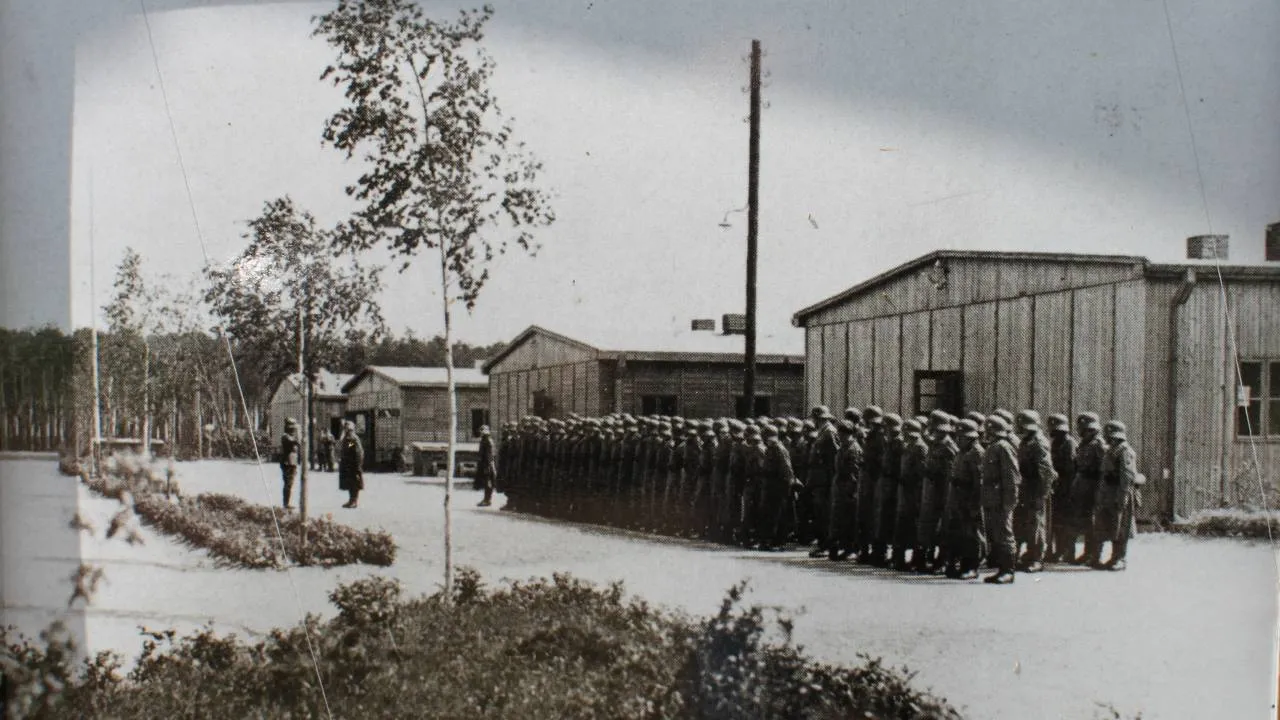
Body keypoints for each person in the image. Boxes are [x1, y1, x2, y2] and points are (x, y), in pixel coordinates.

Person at [1090, 420, 1140, 571]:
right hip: (1107, 494)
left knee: (1121, 527)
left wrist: (1123, 497)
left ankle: (1119, 558)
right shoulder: (1111, 450)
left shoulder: (1125, 451)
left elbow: (1127, 477)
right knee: (1108, 526)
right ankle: (1110, 558)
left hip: (1119, 493)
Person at [942, 419, 987, 579]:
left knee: (971, 535)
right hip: (957, 498)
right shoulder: (962, 452)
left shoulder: (977, 453)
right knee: (957, 533)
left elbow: (980, 482)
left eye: (962, 436)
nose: (958, 439)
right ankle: (958, 564)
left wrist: (975, 504)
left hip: (969, 498)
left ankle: (972, 567)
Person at [1014, 410, 1056, 573]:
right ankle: (1029, 555)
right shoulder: (1027, 441)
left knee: (1036, 524)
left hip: (1035, 488)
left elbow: (1046, 470)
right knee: (1025, 522)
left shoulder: (1039, 442)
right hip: (1026, 487)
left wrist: (1042, 492)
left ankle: (1036, 558)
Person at [981, 415, 1020, 584]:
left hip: (1001, 499)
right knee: (996, 533)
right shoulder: (992, 447)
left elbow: (1011, 477)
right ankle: (1000, 568)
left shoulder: (1004, 447)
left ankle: (1008, 571)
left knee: (1004, 534)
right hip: (991, 498)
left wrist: (1009, 502)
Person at [805, 406, 840, 558]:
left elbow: (834, 456)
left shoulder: (829, 432)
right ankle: (822, 543)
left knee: (824, 514)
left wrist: (830, 477)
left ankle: (825, 545)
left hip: (824, 479)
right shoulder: (823, 432)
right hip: (819, 478)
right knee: (819, 513)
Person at [1045, 414, 1079, 563]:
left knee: (1067, 523)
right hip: (1058, 488)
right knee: (1057, 522)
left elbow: (1071, 468)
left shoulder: (1069, 444)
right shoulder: (1055, 443)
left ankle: (1068, 552)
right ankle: (1059, 551)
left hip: (1068, 488)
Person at [337, 420, 364, 509]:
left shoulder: (351, 439)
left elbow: (353, 451)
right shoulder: (349, 438)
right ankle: (351, 500)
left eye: (348, 429)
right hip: (350, 464)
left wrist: (357, 465)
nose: (347, 431)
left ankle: (354, 501)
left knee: (354, 483)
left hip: (353, 464)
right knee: (350, 483)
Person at [279, 418, 300, 510]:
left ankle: (286, 503)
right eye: (292, 427)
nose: (293, 429)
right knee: (288, 483)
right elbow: (297, 442)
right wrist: (298, 431)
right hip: (288, 462)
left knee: (290, 483)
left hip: (292, 462)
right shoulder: (286, 436)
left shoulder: (291, 436)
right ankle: (286, 503)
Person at [476, 425, 497, 507]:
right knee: (486, 483)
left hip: (487, 465)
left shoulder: (488, 441)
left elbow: (489, 455)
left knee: (488, 483)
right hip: (485, 464)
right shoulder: (484, 440)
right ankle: (486, 499)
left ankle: (487, 500)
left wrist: (488, 466)